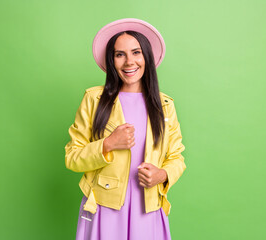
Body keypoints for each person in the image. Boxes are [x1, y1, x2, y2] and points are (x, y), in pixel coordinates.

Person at [65, 18, 186, 240]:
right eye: (120, 54)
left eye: (136, 52)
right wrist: (108, 144)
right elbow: (72, 157)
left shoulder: (165, 105)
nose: (129, 61)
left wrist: (162, 174)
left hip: (147, 208)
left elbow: (177, 157)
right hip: (104, 207)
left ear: (146, 56)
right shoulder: (94, 100)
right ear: (112, 61)